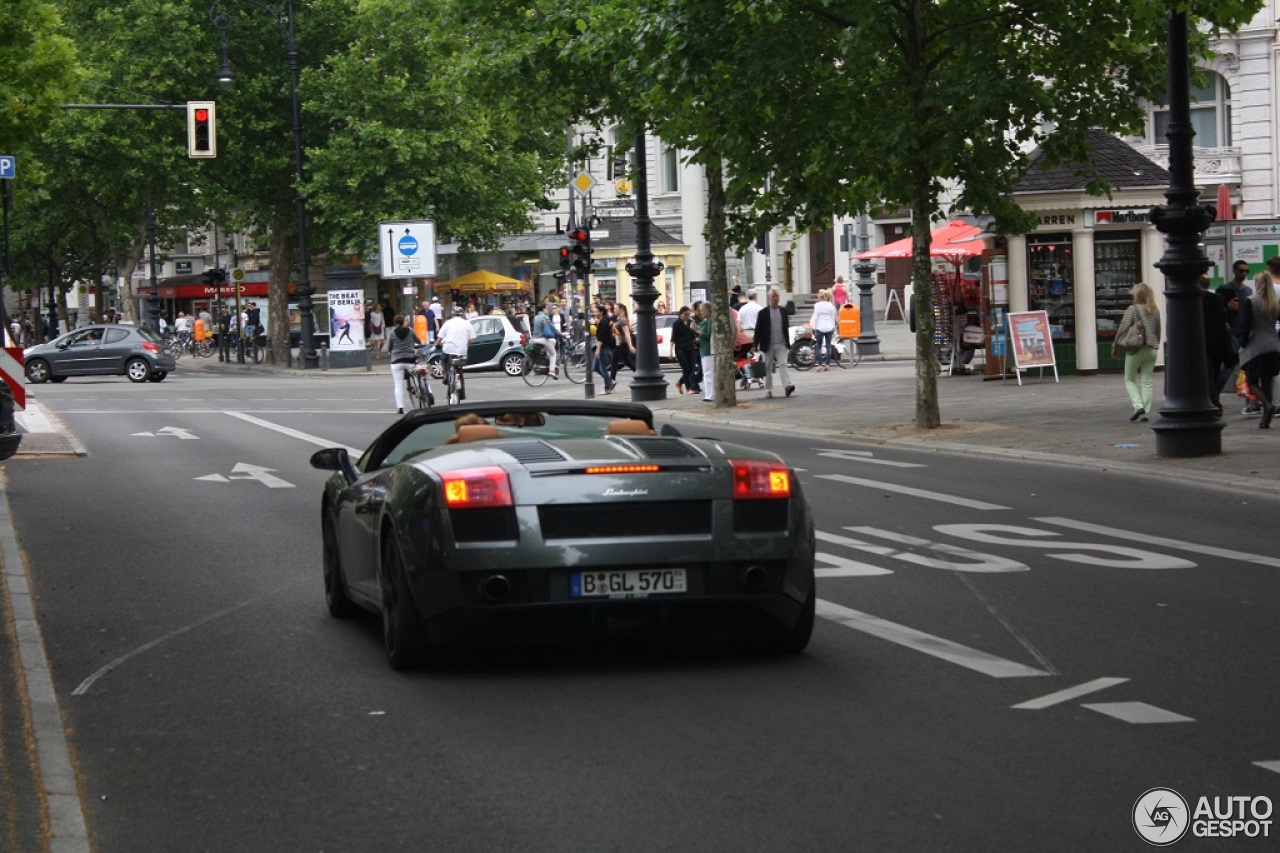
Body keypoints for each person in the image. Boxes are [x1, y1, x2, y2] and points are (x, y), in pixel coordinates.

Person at [1110, 281, 1162, 422]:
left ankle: (1138, 406)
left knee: (1129, 379)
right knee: (1146, 381)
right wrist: (1155, 346)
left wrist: (1115, 344)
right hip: (1151, 349)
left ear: (1137, 294)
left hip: (1136, 348)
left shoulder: (1132, 309)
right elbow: (1158, 331)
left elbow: (1122, 328)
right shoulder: (1155, 310)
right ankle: (1145, 413)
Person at [1236, 269, 1280, 428]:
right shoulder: (1275, 303)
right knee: (1267, 380)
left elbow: (1246, 327)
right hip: (1273, 346)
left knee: (1251, 380)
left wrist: (1242, 343)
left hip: (1256, 347)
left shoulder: (1251, 301)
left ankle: (1267, 405)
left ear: (1258, 284)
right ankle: (1265, 419)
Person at [1200, 275, 1234, 417]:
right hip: (1217, 342)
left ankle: (1213, 402)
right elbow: (1222, 322)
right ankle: (1214, 400)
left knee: (1206, 374)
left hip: (1202, 342)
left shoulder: (1195, 300)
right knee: (1214, 373)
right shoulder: (1218, 299)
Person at [754, 288, 795, 398]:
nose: (775, 299)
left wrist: (787, 341)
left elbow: (785, 326)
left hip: (781, 342)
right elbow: (758, 329)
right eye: (773, 297)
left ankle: (787, 386)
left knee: (783, 364)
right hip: (768, 344)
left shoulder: (783, 311)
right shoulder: (763, 313)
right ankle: (768, 389)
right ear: (769, 299)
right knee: (767, 366)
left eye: (777, 297)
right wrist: (755, 344)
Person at [388, 314, 426, 414]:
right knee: (416, 377)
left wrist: (390, 351)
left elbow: (390, 346)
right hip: (409, 360)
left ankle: (400, 408)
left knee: (398, 385)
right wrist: (421, 343)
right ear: (404, 321)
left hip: (396, 361)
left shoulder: (392, 333)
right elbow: (417, 340)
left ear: (395, 323)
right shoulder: (410, 331)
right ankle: (420, 391)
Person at [437, 305, 476, 399]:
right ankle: (461, 394)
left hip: (449, 349)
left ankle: (446, 374)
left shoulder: (447, 323)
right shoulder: (467, 323)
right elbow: (471, 340)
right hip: (462, 351)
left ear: (453, 314)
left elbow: (440, 337)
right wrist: (467, 345)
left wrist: (436, 345)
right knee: (459, 371)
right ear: (462, 314)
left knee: (443, 360)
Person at [530, 300, 563, 379]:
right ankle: (551, 371)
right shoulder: (545, 317)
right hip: (542, 339)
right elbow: (552, 327)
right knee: (553, 354)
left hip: (534, 339)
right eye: (547, 307)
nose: (548, 309)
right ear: (544, 308)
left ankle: (549, 359)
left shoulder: (536, 317)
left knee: (552, 341)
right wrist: (560, 334)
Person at [672, 306, 700, 395]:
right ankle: (689, 388)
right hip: (680, 348)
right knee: (686, 368)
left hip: (690, 347)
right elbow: (673, 338)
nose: (687, 316)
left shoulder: (690, 323)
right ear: (681, 314)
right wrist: (670, 351)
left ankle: (680, 383)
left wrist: (695, 334)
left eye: (688, 314)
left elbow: (694, 335)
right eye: (685, 314)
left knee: (692, 368)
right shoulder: (676, 324)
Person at [809, 289, 839, 371]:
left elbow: (816, 317)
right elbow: (833, 318)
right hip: (829, 327)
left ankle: (820, 365)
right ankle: (827, 364)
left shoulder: (817, 305)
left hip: (820, 327)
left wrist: (813, 328)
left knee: (819, 346)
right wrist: (833, 327)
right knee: (828, 346)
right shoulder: (831, 306)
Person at [592, 304, 616, 393]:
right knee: (595, 367)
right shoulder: (603, 320)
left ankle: (607, 388)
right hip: (603, 347)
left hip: (603, 347)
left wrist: (598, 350)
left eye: (596, 312)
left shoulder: (603, 322)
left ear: (601, 312)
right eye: (594, 312)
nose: (594, 313)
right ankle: (610, 381)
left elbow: (601, 338)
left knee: (602, 368)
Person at [610, 304, 636, 380]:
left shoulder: (623, 320)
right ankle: (639, 373)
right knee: (627, 362)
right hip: (620, 344)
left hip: (621, 344)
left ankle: (612, 382)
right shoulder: (619, 319)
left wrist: (630, 345)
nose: (614, 310)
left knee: (613, 362)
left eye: (615, 308)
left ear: (621, 309)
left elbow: (627, 333)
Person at [696, 301, 715, 401]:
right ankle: (709, 394)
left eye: (703, 310)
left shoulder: (710, 322)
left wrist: (697, 331)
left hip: (708, 350)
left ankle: (710, 395)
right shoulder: (704, 321)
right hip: (703, 349)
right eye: (700, 310)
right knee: (706, 373)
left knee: (708, 373)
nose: (701, 312)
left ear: (708, 310)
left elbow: (709, 336)